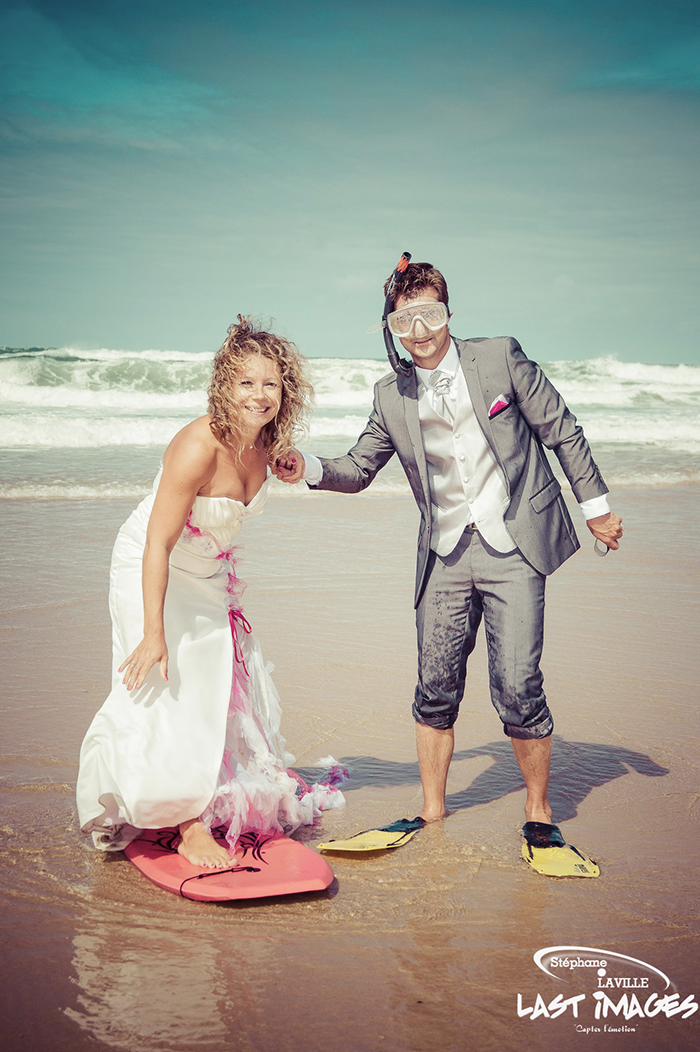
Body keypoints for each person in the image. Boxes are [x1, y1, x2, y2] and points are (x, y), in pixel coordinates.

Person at [275, 261, 622, 846]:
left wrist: (597, 507)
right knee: (435, 686)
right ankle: (433, 810)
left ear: (448, 314)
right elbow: (359, 469)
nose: (420, 331)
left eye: (430, 315)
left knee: (517, 684)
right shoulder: (392, 395)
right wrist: (304, 467)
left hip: (514, 544)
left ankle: (538, 809)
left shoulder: (499, 357)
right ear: (392, 326)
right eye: (405, 320)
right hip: (444, 556)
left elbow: (562, 429)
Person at [77, 317, 344, 869]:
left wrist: (290, 467)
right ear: (225, 384)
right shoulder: (197, 447)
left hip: (207, 578)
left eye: (270, 384)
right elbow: (157, 542)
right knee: (164, 684)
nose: (259, 395)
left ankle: (189, 796)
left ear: (284, 390)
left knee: (210, 690)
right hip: (152, 566)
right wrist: (153, 633)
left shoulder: (267, 440)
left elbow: (272, 474)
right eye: (246, 383)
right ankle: (185, 826)